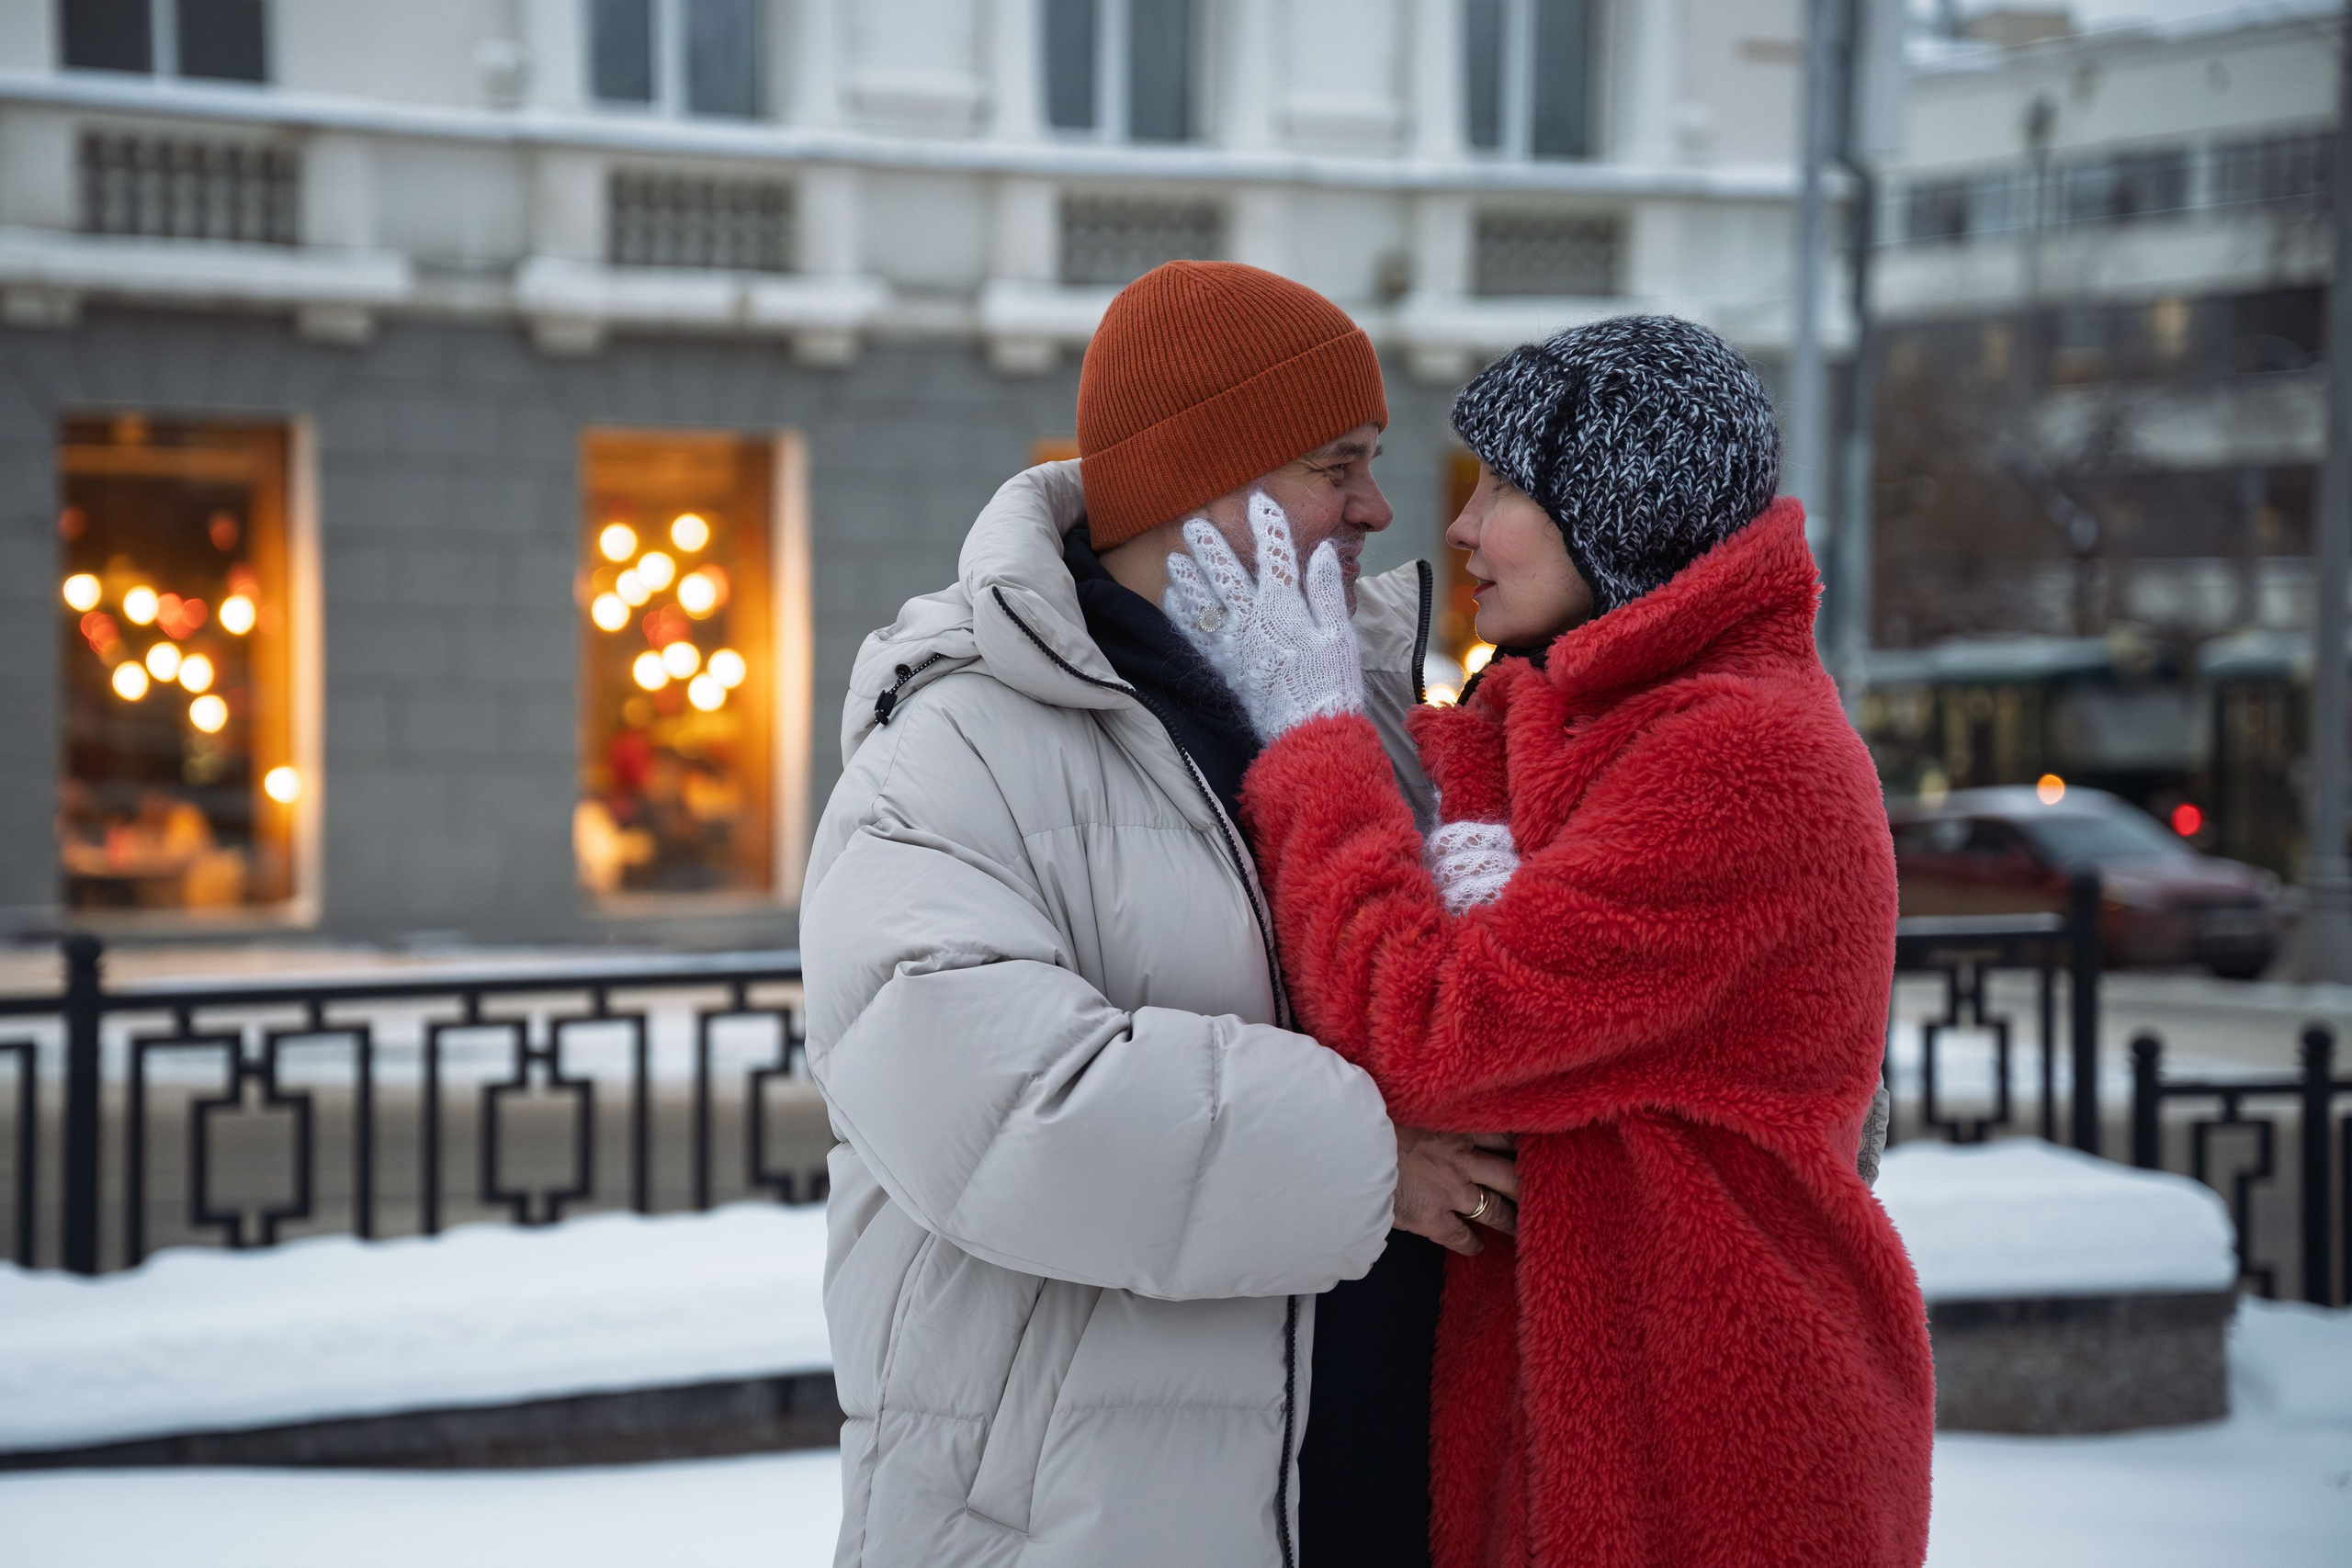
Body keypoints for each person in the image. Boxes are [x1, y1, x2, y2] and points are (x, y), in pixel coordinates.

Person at [1169, 316, 1933, 1567]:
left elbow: (1432, 1031)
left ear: (1621, 511)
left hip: (1709, 1450)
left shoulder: (1744, 755)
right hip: (1588, 1414)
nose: (1461, 526)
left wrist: (1315, 742)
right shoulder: (1578, 714)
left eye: (1510, 486)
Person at [801, 260, 1514, 1568]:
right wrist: (1372, 1161)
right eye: (1335, 464)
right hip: (1078, 1521)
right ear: (1205, 482)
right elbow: (997, 1101)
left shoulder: (1369, 734)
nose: (1376, 508)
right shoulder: (957, 743)